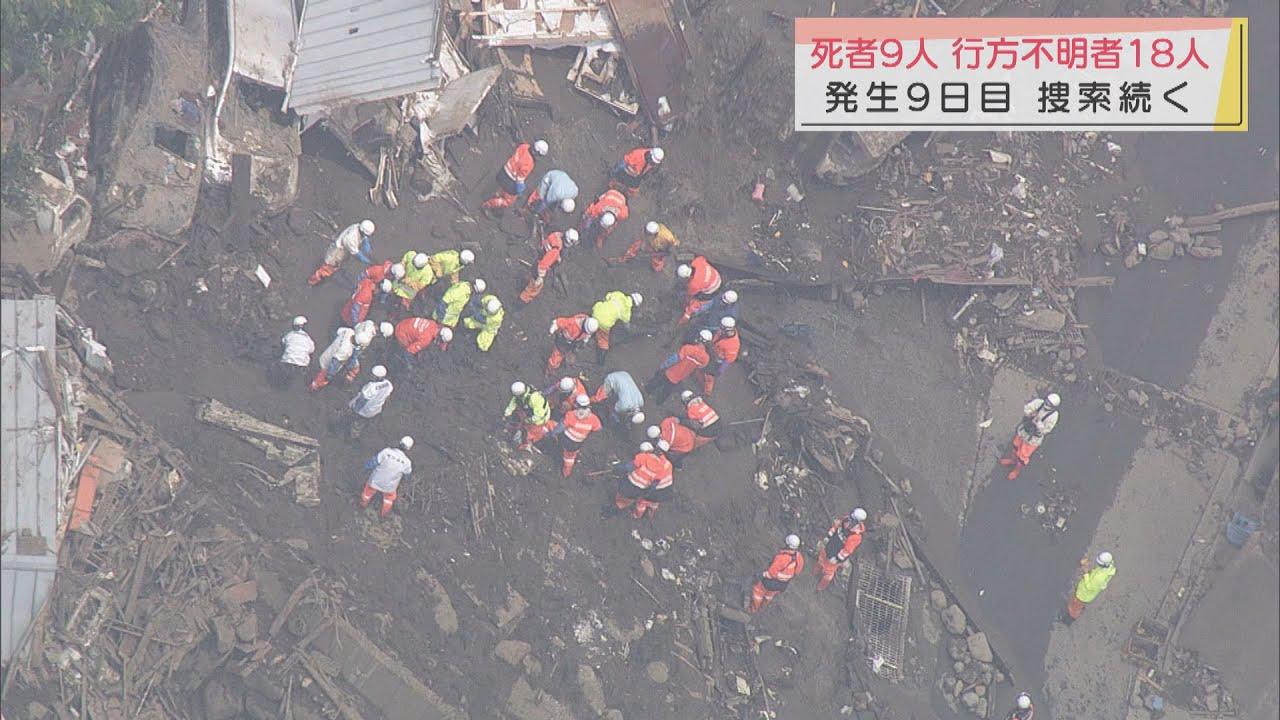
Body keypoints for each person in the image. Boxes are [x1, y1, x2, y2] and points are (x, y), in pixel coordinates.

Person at [1000, 392, 1060, 480]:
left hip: (1033, 438)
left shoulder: (1053, 416)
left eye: (1049, 404)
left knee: (1023, 456)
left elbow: (1047, 430)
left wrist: (1038, 423)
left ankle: (1017, 470)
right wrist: (1031, 413)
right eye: (1047, 401)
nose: (1046, 404)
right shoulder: (1039, 403)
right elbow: (1027, 408)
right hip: (1025, 430)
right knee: (1015, 446)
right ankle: (1012, 460)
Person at [645, 330, 712, 404]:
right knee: (667, 391)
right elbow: (699, 367)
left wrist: (663, 366)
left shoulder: (688, 348)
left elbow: (674, 359)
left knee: (655, 382)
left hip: (669, 371)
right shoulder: (706, 358)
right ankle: (659, 402)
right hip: (680, 377)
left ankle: (647, 391)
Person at [610, 441, 673, 519]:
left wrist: (616, 469)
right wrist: (648, 492)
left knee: (628, 502)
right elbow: (654, 484)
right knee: (650, 502)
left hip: (629, 486)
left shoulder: (643, 457)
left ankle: (616, 512)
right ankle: (649, 512)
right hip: (662, 492)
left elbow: (627, 468)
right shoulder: (667, 465)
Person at [482, 139, 548, 212]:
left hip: (503, 171)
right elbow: (519, 179)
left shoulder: (524, 146)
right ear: (538, 153)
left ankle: (494, 195)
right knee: (508, 201)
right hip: (510, 181)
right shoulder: (530, 163)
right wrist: (520, 190)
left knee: (501, 189)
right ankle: (488, 205)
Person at [813, 508, 866, 592]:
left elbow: (847, 550)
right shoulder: (846, 519)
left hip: (835, 555)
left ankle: (820, 588)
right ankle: (814, 573)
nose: (849, 520)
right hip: (829, 546)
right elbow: (835, 527)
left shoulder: (855, 537)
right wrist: (828, 537)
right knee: (820, 561)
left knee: (828, 574)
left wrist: (837, 559)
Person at [360, 436, 413, 518]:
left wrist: (364, 468)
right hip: (389, 487)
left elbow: (373, 462)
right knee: (389, 499)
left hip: (374, 482)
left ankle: (362, 505)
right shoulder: (407, 463)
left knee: (367, 492)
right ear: (408, 449)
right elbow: (407, 475)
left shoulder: (386, 452)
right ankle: (384, 515)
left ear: (399, 443)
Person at [308, 219, 374, 285]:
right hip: (337, 252)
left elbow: (363, 237)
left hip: (343, 249)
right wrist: (366, 260)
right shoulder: (350, 239)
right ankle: (313, 281)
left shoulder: (358, 226)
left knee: (335, 266)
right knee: (328, 267)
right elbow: (357, 254)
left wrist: (366, 241)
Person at [750, 534, 805, 613]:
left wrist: (761, 574)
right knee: (769, 596)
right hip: (781, 585)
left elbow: (771, 572)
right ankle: (762, 608)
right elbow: (797, 572)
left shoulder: (782, 558)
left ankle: (753, 610)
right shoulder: (799, 558)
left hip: (770, 582)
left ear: (787, 544)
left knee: (757, 592)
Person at [551, 394, 601, 478]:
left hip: (566, 441)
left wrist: (552, 433)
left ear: (577, 405)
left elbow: (560, 427)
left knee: (568, 458)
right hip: (578, 443)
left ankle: (565, 474)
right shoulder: (594, 419)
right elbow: (598, 430)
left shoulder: (571, 415)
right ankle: (569, 467)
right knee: (571, 455)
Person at [519, 229, 575, 304]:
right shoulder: (556, 250)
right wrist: (540, 277)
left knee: (532, 277)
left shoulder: (556, 235)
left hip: (539, 256)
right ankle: (522, 301)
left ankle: (526, 285)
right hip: (540, 265)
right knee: (535, 287)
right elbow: (544, 264)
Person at [340, 365, 393, 438]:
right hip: (375, 410)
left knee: (354, 420)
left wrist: (354, 409)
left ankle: (346, 432)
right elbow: (387, 397)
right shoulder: (388, 384)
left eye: (373, 375)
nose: (371, 376)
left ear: (378, 377)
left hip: (364, 410)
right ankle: (354, 436)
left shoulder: (371, 387)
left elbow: (362, 400)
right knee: (361, 424)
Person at [590, 291, 642, 364]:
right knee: (604, 342)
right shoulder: (627, 312)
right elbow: (626, 326)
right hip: (604, 324)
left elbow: (606, 297)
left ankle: (590, 334)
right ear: (634, 305)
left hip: (595, 312)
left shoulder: (618, 294)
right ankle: (600, 362)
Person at [1065, 552, 1116, 622]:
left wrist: (1086, 573)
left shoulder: (1100, 578)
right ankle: (1076, 608)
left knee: (1075, 606)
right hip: (1085, 592)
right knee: (1076, 602)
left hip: (1084, 595)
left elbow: (1089, 587)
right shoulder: (1108, 567)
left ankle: (1071, 618)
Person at [504, 381, 552, 450]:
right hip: (530, 412)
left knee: (530, 434)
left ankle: (527, 444)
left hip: (540, 420)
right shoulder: (520, 393)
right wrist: (506, 414)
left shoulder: (535, 398)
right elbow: (513, 403)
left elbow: (539, 415)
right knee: (519, 417)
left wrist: (528, 420)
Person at [677, 256, 723, 324]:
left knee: (697, 303)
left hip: (712, 291)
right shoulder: (698, 261)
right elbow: (702, 258)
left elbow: (690, 294)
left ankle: (699, 311)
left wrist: (688, 310)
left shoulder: (694, 284)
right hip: (717, 277)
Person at [271, 316, 314, 389]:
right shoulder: (308, 339)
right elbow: (311, 350)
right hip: (302, 366)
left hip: (286, 362)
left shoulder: (289, 335)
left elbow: (283, 342)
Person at [702, 316, 741, 396]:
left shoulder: (733, 344)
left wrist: (721, 369)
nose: (720, 330)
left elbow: (729, 359)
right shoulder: (723, 332)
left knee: (709, 376)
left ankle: (707, 392)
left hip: (716, 361)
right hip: (712, 351)